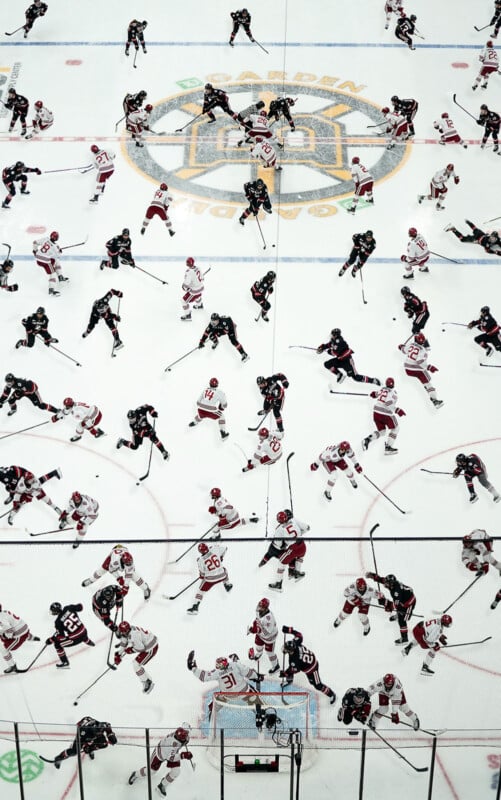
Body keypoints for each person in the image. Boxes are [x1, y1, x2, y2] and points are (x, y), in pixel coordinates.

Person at [128, 725, 192, 797]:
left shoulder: (178, 734)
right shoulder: (172, 744)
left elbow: (183, 739)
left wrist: (185, 738)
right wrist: (183, 755)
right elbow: (171, 758)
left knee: (176, 771)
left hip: (172, 753)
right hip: (159, 754)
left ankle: (162, 785)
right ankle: (136, 774)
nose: (187, 738)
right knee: (151, 771)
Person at [280, 627, 336, 703]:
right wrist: (289, 630)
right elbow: (299, 635)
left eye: (286, 649)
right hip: (306, 662)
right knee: (290, 669)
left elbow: (295, 670)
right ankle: (289, 681)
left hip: (312, 668)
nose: (284, 650)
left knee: (317, 685)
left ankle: (331, 694)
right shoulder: (295, 643)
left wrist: (285, 673)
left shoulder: (295, 660)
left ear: (291, 651)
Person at [188, 651, 261, 707]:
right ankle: (263, 712)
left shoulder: (216, 672)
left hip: (228, 695)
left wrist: (193, 669)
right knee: (254, 696)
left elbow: (204, 677)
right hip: (243, 692)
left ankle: (212, 711)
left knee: (216, 703)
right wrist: (256, 676)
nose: (217, 666)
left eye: (218, 665)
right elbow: (248, 672)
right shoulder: (235, 665)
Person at [82, 544, 150, 599]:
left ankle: (145, 588)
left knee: (134, 576)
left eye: (130, 563)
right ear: (123, 561)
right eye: (127, 564)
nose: (129, 565)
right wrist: (118, 578)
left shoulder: (129, 561)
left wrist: (126, 586)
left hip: (122, 549)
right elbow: (111, 570)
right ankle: (91, 580)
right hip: (113, 554)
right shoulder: (115, 561)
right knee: (102, 570)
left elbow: (128, 575)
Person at [316, 328, 381, 385]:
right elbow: (328, 345)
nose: (331, 336)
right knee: (327, 364)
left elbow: (335, 352)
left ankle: (373, 380)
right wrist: (322, 347)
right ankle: (339, 374)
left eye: (332, 334)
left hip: (347, 361)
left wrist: (329, 351)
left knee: (356, 377)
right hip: (340, 360)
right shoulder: (334, 341)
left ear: (336, 335)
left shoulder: (340, 341)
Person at [365, 573, 416, 643]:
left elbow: (395, 605)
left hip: (409, 603)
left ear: (391, 584)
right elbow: (381, 579)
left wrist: (385, 603)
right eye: (386, 582)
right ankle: (398, 615)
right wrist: (373, 576)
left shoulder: (396, 592)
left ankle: (404, 638)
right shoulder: (391, 584)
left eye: (386, 583)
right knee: (399, 610)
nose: (385, 584)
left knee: (402, 619)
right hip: (402, 600)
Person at [399, 332, 444, 408]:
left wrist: (401, 347)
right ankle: (435, 400)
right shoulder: (423, 350)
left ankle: (429, 391)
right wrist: (429, 367)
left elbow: (403, 350)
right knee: (428, 383)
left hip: (407, 368)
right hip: (415, 369)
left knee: (424, 377)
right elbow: (419, 362)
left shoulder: (411, 345)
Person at [186, 542, 233, 615]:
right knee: (224, 569)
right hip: (222, 575)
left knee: (200, 591)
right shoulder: (214, 549)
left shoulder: (200, 560)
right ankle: (227, 584)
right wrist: (221, 557)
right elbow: (225, 548)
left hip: (211, 579)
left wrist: (202, 576)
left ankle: (195, 607)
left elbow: (202, 574)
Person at [362, 377, 405, 455]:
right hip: (385, 413)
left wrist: (373, 394)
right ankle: (388, 447)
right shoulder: (393, 393)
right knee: (396, 428)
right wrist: (397, 410)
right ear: (393, 384)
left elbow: (375, 394)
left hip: (376, 412)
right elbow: (388, 404)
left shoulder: (382, 389)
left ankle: (368, 439)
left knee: (382, 431)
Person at [268, 510, 309, 591]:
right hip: (303, 545)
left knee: (281, 562)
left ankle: (278, 584)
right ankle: (297, 572)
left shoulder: (279, 529)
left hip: (293, 548)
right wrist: (300, 534)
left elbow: (278, 545)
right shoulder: (293, 520)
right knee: (300, 557)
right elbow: (307, 527)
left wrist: (285, 544)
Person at [46, 602, 95, 668]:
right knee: (80, 631)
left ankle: (65, 662)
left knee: (57, 645)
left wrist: (51, 639)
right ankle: (88, 641)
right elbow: (81, 607)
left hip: (76, 638)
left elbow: (61, 637)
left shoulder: (58, 622)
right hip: (84, 631)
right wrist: (73, 608)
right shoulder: (68, 608)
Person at [114, 621, 157, 694]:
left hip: (151, 647)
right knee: (136, 664)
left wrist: (130, 650)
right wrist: (119, 653)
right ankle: (147, 679)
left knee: (136, 664)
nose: (121, 634)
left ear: (126, 631)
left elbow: (141, 648)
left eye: (122, 632)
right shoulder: (128, 630)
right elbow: (124, 640)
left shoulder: (134, 636)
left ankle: (147, 682)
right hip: (147, 643)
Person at [0, 605, 40, 673]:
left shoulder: (1, 618)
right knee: (3, 633)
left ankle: (12, 666)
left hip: (19, 634)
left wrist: (3, 636)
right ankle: (29, 636)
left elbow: (10, 633)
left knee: (3, 649)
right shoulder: (4, 612)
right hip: (24, 628)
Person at [247, 598, 280, 673]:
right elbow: (257, 621)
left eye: (261, 606)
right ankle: (259, 654)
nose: (259, 607)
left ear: (266, 608)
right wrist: (255, 628)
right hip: (260, 634)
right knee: (258, 646)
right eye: (259, 605)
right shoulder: (259, 610)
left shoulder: (269, 619)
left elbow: (267, 632)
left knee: (270, 653)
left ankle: (276, 666)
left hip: (270, 637)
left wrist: (256, 630)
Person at [32, 231, 68, 296]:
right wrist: (59, 251)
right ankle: (51, 290)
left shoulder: (46, 239)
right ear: (57, 238)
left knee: (55, 260)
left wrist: (35, 251)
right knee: (53, 273)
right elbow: (58, 256)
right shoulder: (56, 246)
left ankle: (60, 276)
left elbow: (34, 242)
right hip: (45, 261)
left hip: (38, 259)